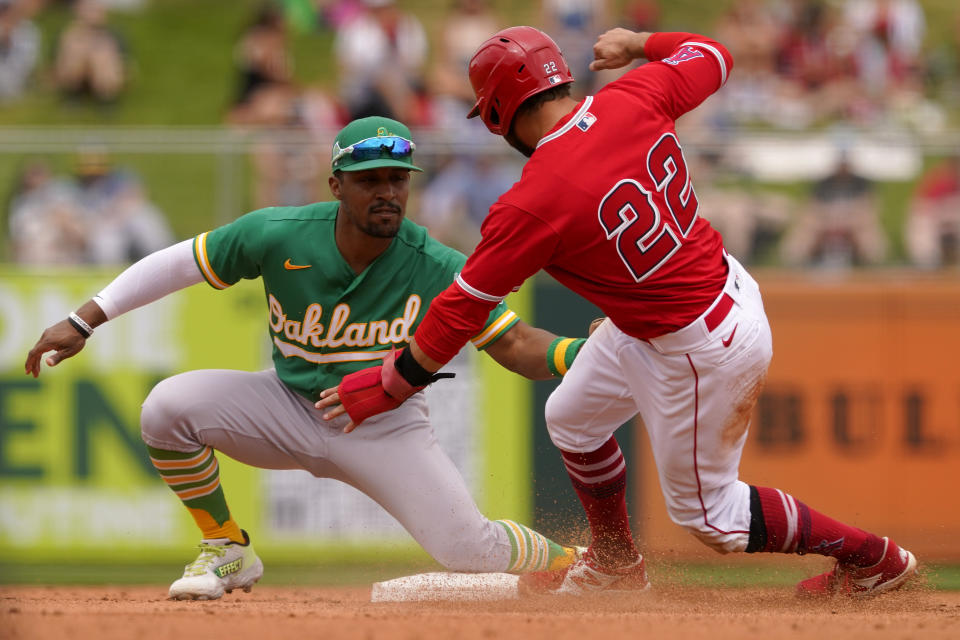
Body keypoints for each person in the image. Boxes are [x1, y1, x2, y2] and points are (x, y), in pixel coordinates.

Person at [317, 28, 918, 598]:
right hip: (714, 292)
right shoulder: (634, 92)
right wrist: (638, 43)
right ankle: (616, 565)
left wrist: (393, 385)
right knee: (571, 417)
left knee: (714, 519)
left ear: (498, 112)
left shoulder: (533, 200)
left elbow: (460, 310)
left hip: (696, 343)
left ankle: (875, 561)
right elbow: (714, 53)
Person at [24, 116, 585, 601]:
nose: (387, 192)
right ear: (337, 185)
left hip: (384, 426)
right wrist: (84, 320)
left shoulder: (437, 265)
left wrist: (586, 353)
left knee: (470, 548)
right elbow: (178, 264)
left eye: (398, 179)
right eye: (369, 180)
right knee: (165, 410)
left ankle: (575, 564)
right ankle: (226, 547)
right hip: (286, 404)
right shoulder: (279, 234)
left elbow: (514, 344)